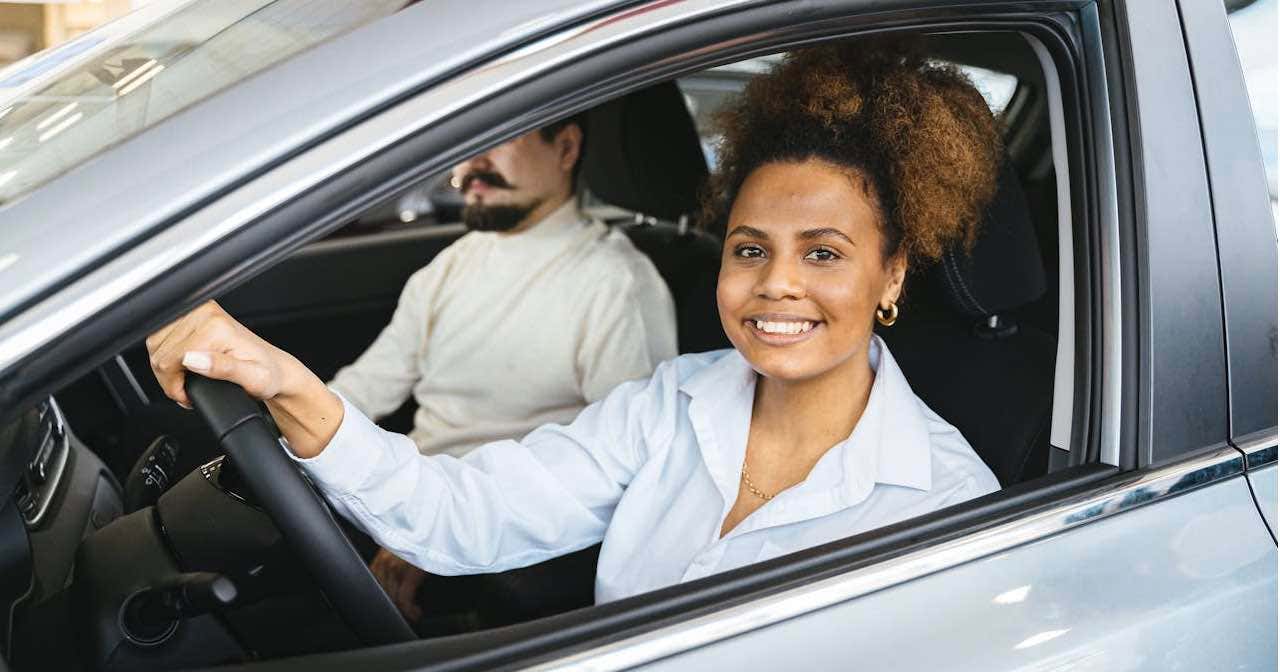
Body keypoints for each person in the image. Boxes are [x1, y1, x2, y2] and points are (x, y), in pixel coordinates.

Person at [146, 39, 1002, 608]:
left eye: (822, 254)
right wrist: (288, 385)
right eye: (748, 250)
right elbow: (461, 512)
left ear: (891, 272)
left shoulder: (947, 503)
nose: (775, 285)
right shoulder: (672, 405)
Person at [328, 115, 678, 621]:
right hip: (404, 496)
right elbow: (368, 386)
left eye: (497, 137)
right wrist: (289, 427)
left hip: (499, 536)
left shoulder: (615, 284)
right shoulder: (453, 263)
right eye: (465, 142)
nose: (473, 164)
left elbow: (627, 466)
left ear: (565, 149)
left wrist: (441, 534)